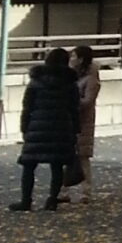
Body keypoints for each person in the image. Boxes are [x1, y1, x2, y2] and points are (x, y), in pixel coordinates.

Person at [12, 47, 79, 214]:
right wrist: (76, 129)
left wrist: (25, 127)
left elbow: (27, 107)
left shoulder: (36, 82)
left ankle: (26, 200)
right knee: (57, 165)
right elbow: (74, 108)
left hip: (37, 126)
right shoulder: (69, 83)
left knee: (29, 165)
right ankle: (52, 200)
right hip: (61, 127)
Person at [70, 44, 100, 202]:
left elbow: (88, 101)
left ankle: (86, 191)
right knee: (67, 156)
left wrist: (72, 100)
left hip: (84, 122)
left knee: (82, 157)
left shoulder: (91, 79)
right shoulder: (72, 75)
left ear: (81, 59)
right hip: (71, 120)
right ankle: (63, 190)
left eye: (74, 56)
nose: (71, 59)